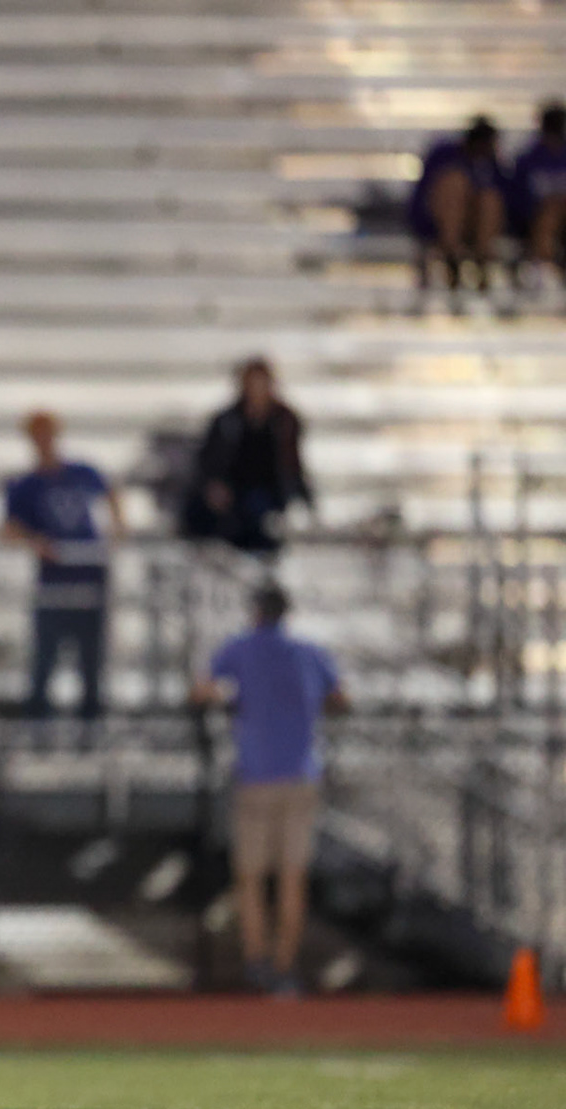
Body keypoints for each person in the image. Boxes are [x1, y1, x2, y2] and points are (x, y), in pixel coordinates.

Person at [192, 585, 349, 997]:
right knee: (292, 879)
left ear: (256, 612)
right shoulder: (310, 652)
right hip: (300, 776)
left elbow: (202, 690)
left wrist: (234, 699)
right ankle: (284, 966)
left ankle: (257, 961)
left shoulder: (240, 649)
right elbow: (340, 697)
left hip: (256, 777)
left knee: (250, 878)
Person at [1, 410, 125, 726]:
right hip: (54, 580)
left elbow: (111, 491)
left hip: (89, 575)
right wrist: (35, 541)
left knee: (91, 657)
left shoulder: (80, 472)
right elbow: (8, 529)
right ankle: (39, 720)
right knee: (46, 655)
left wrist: (117, 528)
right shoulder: (26, 486)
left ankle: (91, 720)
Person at [188, 356, 312, 555]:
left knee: (258, 510)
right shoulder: (226, 420)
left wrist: (299, 497)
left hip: (271, 493)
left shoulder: (285, 420)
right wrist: (214, 485)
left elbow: (292, 465)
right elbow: (209, 461)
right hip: (233, 490)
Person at [409, 116, 507, 300]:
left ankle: (480, 258)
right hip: (438, 223)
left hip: (475, 228)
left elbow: (505, 198)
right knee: (455, 184)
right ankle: (451, 253)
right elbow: (422, 196)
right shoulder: (445, 156)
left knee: (488, 198)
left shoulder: (491, 165)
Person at [510, 102, 566, 292]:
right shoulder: (529, 159)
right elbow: (518, 199)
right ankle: (545, 272)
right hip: (535, 221)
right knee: (550, 213)